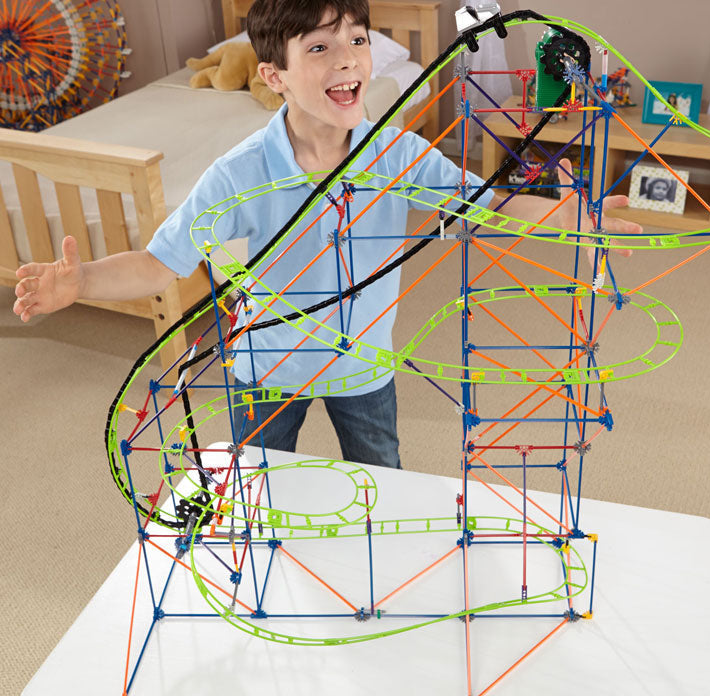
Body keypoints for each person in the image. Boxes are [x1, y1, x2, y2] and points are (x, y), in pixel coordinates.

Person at [12, 0, 640, 469]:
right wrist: (86, 279)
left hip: (364, 365)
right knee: (258, 494)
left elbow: (486, 205)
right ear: (273, 76)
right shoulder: (239, 173)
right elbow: (161, 264)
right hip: (265, 369)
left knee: (379, 487)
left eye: (358, 40)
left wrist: (564, 217)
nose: (346, 58)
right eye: (318, 47)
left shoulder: (396, 153)